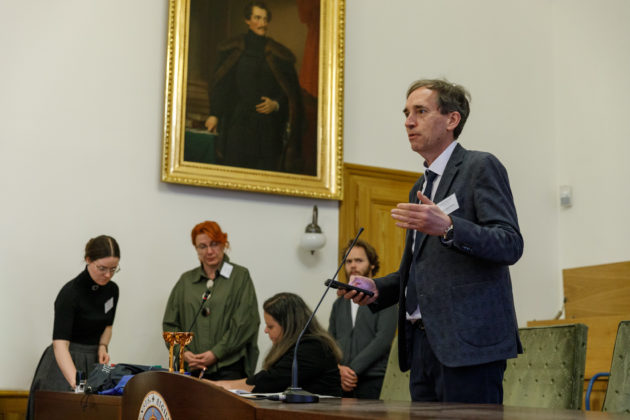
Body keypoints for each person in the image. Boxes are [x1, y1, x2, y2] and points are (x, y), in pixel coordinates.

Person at [340, 78, 524, 404]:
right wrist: (376, 288)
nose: (409, 122)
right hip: (423, 346)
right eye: (406, 113)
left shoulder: (479, 167)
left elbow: (510, 243)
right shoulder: (420, 187)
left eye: (420, 111)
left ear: (452, 119)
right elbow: (416, 271)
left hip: (468, 346)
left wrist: (450, 227)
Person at [27, 235, 121, 420]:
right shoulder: (70, 293)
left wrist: (103, 346)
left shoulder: (112, 290)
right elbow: (60, 345)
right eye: (102, 268)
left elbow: (108, 326)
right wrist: (77, 384)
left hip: (93, 361)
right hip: (64, 363)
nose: (108, 275)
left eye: (113, 269)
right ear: (88, 260)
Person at [205, 1, 303, 172]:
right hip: (238, 124)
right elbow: (222, 86)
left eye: (265, 19)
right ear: (247, 20)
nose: (262, 23)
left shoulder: (279, 55)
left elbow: (291, 92)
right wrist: (214, 114)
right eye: (257, 18)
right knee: (233, 171)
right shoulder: (232, 49)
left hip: (268, 128)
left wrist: (276, 104)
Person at [162, 221, 259, 380]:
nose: (209, 251)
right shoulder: (186, 281)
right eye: (202, 246)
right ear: (196, 249)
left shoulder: (240, 277)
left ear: (223, 244)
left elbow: (245, 322)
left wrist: (216, 353)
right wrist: (183, 352)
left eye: (214, 244)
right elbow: (170, 324)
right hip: (192, 369)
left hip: (229, 368)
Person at [211, 293, 342, 396]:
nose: (265, 330)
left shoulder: (312, 347)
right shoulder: (295, 346)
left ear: (288, 325)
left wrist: (219, 386)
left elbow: (270, 381)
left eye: (270, 326)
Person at [328, 239, 397, 399]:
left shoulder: (385, 299)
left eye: (359, 260)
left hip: (373, 379)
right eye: (349, 261)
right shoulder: (339, 304)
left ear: (372, 265)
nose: (353, 265)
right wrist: (339, 370)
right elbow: (330, 340)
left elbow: (383, 339)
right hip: (341, 380)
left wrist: (352, 371)